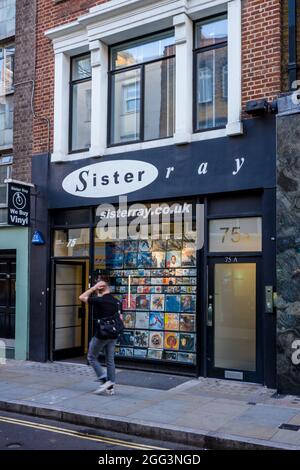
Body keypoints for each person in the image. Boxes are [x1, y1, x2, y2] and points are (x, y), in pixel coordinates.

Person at [79, 279, 120, 395]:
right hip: (113, 333)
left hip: (102, 334)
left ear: (99, 288)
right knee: (110, 360)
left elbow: (81, 297)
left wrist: (93, 288)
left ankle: (104, 380)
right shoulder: (115, 301)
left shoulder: (99, 300)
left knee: (91, 357)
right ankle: (111, 387)